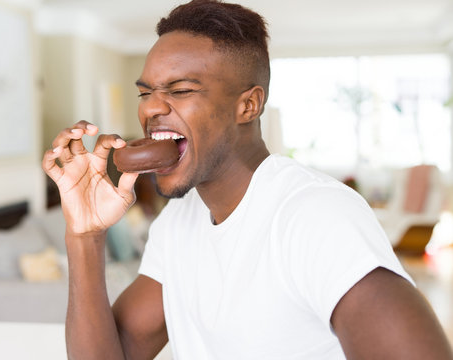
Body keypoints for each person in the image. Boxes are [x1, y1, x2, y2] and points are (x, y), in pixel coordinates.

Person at [42, 0, 453, 359]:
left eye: (181, 90)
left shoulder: (315, 216)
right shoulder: (176, 224)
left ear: (248, 105)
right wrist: (84, 236)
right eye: (145, 92)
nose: (151, 109)